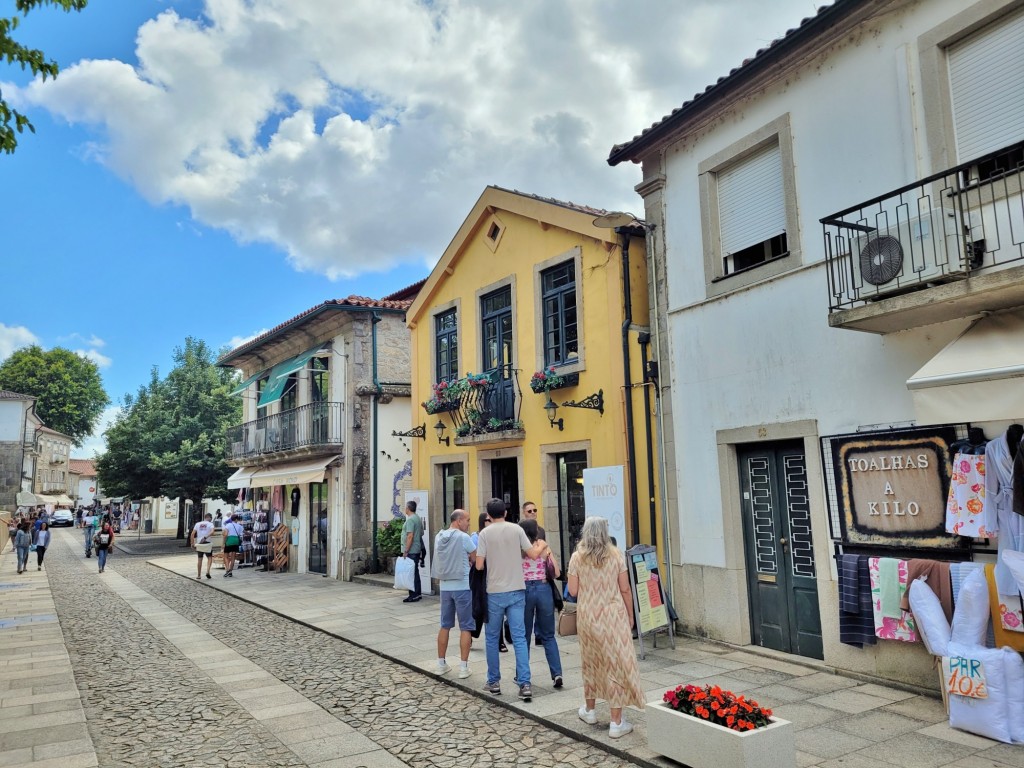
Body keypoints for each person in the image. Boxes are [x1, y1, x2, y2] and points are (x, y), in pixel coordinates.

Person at [568, 516, 644, 739]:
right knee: (616, 664)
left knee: (590, 661)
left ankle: (590, 711)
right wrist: (630, 616)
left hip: (588, 616)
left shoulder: (577, 557)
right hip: (613, 616)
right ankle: (616, 722)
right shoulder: (616, 555)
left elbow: (572, 591)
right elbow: (625, 589)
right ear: (604, 532)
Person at [475, 498, 550, 701]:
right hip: (517, 589)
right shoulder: (517, 530)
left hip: (495, 591)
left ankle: (494, 681)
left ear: (488, 515)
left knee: (492, 638)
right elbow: (534, 554)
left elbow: (480, 565)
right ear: (506, 513)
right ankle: (525, 683)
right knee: (519, 638)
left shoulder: (484, 533)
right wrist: (542, 543)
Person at [432, 509, 476, 679]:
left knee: (445, 625)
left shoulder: (439, 537)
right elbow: (475, 557)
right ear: (458, 521)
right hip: (463, 585)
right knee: (466, 626)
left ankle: (441, 663)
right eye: (467, 520)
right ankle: (464, 667)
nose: (468, 523)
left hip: (445, 587)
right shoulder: (464, 537)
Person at [519, 518, 563, 688]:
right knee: (548, 635)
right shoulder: (544, 547)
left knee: (523, 636)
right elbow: (557, 572)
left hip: (525, 590)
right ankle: (557, 673)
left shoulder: (520, 548)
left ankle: (522, 675)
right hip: (544, 589)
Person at [400, 500, 424, 602]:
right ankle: (417, 593)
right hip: (416, 548)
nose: (405, 509)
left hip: (411, 550)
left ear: (408, 508)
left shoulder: (410, 520)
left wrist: (406, 550)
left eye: (405, 507)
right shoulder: (417, 518)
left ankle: (413, 594)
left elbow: (410, 536)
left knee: (411, 573)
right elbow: (421, 533)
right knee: (415, 572)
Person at [190, 512, 215, 580]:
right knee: (209, 557)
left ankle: (199, 575)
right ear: (209, 517)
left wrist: (192, 543)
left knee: (200, 559)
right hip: (207, 542)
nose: (211, 519)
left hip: (199, 543)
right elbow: (212, 532)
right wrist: (206, 537)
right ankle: (207, 571)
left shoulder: (198, 524)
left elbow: (192, 534)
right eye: (211, 518)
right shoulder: (210, 524)